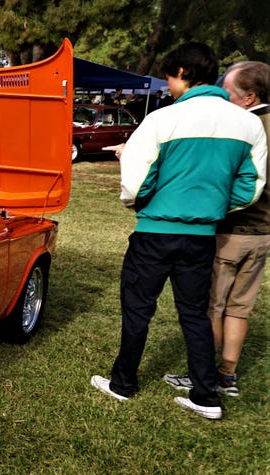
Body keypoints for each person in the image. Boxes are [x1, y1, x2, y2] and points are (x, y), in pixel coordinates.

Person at [90, 42, 267, 420]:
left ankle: (123, 384)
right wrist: (214, 209)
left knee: (138, 309)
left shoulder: (162, 119)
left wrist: (144, 207)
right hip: (202, 236)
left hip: (154, 232)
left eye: (170, 76)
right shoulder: (248, 121)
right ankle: (206, 396)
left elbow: (136, 181)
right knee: (195, 314)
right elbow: (251, 187)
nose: (169, 84)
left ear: (182, 74)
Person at [163, 61, 270, 399]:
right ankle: (227, 375)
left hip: (232, 231)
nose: (221, 98)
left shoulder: (247, 128)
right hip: (263, 235)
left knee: (212, 306)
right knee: (240, 307)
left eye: (228, 93)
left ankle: (202, 376)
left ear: (250, 97)